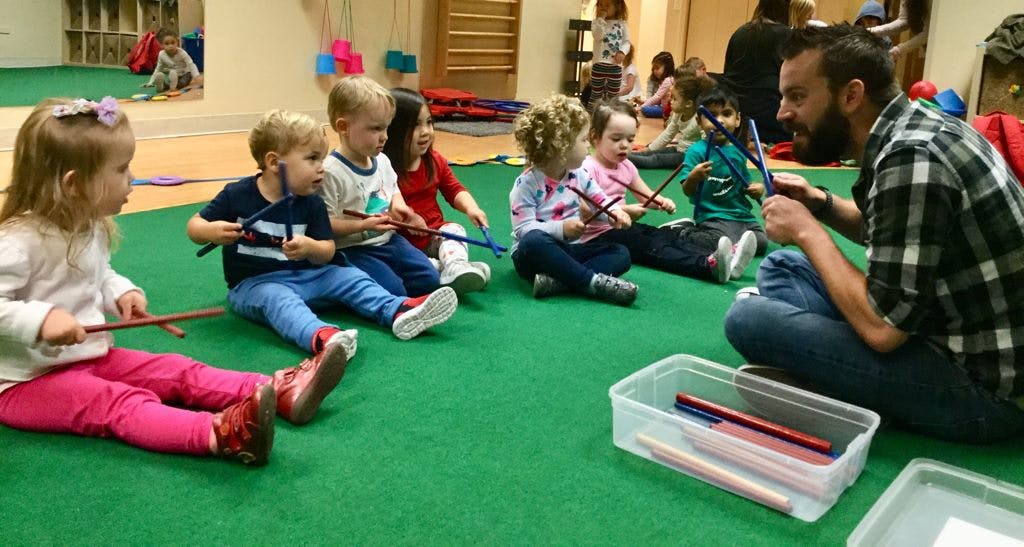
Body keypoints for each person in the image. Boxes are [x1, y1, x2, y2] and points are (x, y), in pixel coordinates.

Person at [0, 97, 350, 466]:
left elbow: (99, 275)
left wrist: (120, 293)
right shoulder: (17, 243)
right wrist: (41, 321)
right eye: (121, 169)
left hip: (84, 355)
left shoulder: (87, 227)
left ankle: (276, 390)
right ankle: (220, 434)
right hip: (23, 383)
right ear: (74, 184)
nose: (132, 177)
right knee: (119, 405)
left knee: (174, 370)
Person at [725, 25, 1024, 443]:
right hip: (939, 322)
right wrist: (820, 203)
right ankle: (835, 370)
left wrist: (807, 230)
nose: (781, 114)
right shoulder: (916, 125)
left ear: (851, 96)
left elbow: (885, 331)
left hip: (984, 389)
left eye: (797, 96)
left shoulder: (911, 158)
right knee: (782, 266)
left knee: (748, 320)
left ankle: (834, 379)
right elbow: (893, 233)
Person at [187, 110, 458, 349]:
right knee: (279, 300)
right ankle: (322, 337)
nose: (322, 169)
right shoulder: (238, 195)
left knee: (350, 277)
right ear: (273, 162)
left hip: (310, 275)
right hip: (256, 284)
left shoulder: (312, 202)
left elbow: (327, 251)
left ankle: (397, 310)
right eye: (313, 159)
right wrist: (211, 232)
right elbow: (194, 226)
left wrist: (309, 247)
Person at [583, 100, 752, 284]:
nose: (625, 145)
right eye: (616, 139)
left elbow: (647, 196)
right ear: (595, 137)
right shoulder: (588, 168)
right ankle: (706, 265)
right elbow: (585, 210)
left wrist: (661, 202)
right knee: (654, 247)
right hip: (597, 237)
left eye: (630, 139)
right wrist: (625, 211)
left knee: (663, 235)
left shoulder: (627, 166)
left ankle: (723, 258)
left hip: (623, 227)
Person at [318, 76, 443, 299]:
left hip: (389, 240)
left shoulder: (382, 161)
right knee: (393, 290)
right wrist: (363, 225)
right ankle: (342, 285)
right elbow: (324, 224)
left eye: (386, 128)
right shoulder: (330, 172)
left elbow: (392, 189)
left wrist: (403, 209)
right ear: (344, 126)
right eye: (376, 129)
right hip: (353, 249)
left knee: (429, 280)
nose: (384, 137)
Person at [509, 94, 638, 305]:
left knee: (621, 253)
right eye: (584, 140)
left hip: (569, 251)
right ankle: (591, 282)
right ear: (561, 147)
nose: (588, 146)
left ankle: (560, 281)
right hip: (533, 256)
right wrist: (562, 229)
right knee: (533, 240)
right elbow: (524, 229)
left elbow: (601, 200)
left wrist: (613, 215)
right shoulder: (526, 184)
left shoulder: (579, 175)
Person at [382, 88, 491, 295]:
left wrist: (472, 208)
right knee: (418, 269)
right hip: (401, 244)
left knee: (455, 230)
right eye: (415, 125)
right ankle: (450, 270)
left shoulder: (434, 161)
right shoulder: (384, 168)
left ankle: (455, 266)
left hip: (434, 235)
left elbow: (454, 189)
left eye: (429, 122)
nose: (426, 131)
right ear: (394, 130)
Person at [667, 85, 767, 278]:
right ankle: (684, 231)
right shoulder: (696, 152)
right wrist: (694, 176)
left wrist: (757, 188)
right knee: (717, 240)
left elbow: (745, 184)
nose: (719, 121)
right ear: (699, 120)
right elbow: (687, 190)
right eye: (711, 115)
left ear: (737, 119)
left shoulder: (738, 151)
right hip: (713, 216)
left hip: (742, 216)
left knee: (761, 242)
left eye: (726, 114)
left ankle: (736, 247)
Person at [721, 0, 792, 144]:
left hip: (736, 107)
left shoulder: (740, 32)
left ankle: (750, 132)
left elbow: (727, 70)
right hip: (769, 108)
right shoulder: (785, 34)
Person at [628, 72, 716, 169]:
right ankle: (628, 156)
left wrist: (700, 162)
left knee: (657, 158)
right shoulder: (678, 113)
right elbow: (668, 134)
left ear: (688, 104)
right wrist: (648, 149)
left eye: (675, 98)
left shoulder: (699, 119)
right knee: (654, 153)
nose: (670, 101)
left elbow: (706, 141)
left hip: (689, 156)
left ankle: (627, 159)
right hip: (679, 149)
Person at [589, 0, 631, 105]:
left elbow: (626, 42)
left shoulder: (622, 24)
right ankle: (592, 117)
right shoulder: (596, 22)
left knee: (613, 95)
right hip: (599, 64)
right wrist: (601, 19)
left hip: (615, 66)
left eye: (607, 5)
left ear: (617, 7)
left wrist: (622, 52)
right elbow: (598, 36)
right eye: (600, 5)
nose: (603, 8)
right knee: (596, 94)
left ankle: (612, 117)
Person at [141, 28, 200, 93]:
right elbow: (158, 69)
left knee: (182, 82)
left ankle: (173, 87)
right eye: (167, 44)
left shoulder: (182, 53)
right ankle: (162, 85)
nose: (170, 46)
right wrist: (151, 82)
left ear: (177, 42)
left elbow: (191, 64)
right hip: (173, 75)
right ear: (161, 45)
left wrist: (196, 76)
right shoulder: (161, 54)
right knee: (171, 77)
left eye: (173, 43)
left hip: (185, 74)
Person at [637, 51, 675, 119]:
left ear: (667, 68)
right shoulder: (665, 80)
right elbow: (657, 99)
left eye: (657, 68)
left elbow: (657, 97)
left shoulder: (668, 80)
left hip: (666, 109)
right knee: (646, 107)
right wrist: (644, 103)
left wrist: (641, 107)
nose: (655, 71)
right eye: (653, 69)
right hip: (662, 106)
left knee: (645, 109)